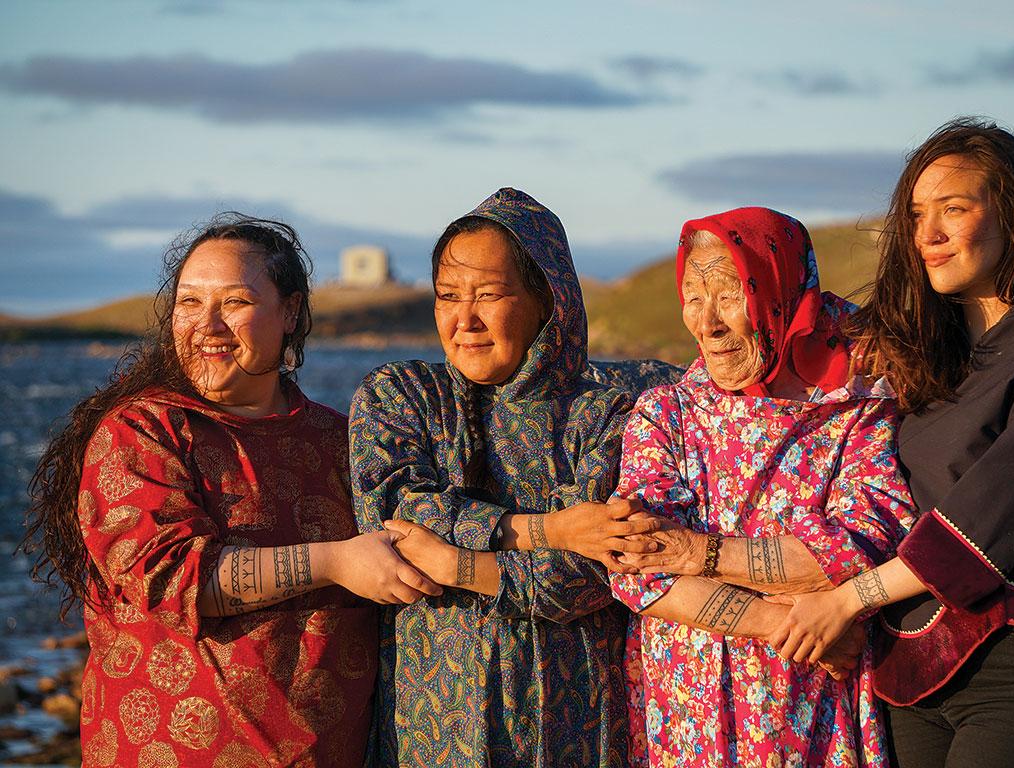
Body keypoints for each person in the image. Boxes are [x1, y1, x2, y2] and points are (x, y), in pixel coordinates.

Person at [768, 118, 1014, 767]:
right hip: (908, 674)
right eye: (917, 215)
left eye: (955, 209)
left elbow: (983, 530)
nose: (929, 235)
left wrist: (842, 602)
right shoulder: (926, 359)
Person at [21, 213, 439, 767]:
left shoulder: (341, 440)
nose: (207, 325)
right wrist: (337, 562)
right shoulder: (141, 431)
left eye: (235, 302)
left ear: (290, 312)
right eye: (190, 303)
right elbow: (170, 579)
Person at [349, 187, 674, 767]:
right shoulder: (401, 396)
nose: (464, 320)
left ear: (546, 301)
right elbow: (394, 518)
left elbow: (584, 575)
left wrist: (454, 563)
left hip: (571, 723)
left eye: (489, 296)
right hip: (430, 727)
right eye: (447, 297)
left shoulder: (602, 415)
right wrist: (546, 529)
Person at [608, 206, 918, 767]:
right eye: (694, 299)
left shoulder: (855, 409)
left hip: (808, 711)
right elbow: (636, 571)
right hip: (688, 720)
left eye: (729, 296)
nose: (708, 324)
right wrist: (785, 622)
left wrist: (690, 552)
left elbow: (854, 553)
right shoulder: (665, 415)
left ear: (778, 293)